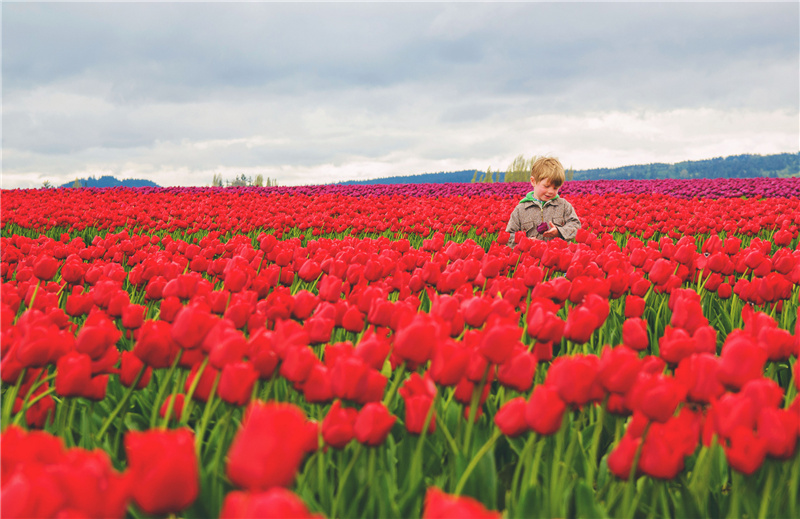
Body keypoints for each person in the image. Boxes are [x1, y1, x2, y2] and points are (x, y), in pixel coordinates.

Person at [505, 156, 581, 246]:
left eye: (555, 188)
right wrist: (526, 242)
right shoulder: (521, 209)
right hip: (529, 257)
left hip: (557, 255)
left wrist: (559, 231)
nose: (551, 191)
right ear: (533, 181)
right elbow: (509, 236)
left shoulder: (563, 206)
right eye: (546, 186)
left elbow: (576, 226)